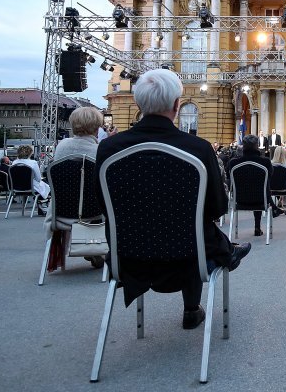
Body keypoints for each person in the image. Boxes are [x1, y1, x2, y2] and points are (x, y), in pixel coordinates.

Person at [95, 69, 251, 330]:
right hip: (189, 255)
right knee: (196, 232)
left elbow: (104, 204)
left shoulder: (110, 148)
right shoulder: (197, 148)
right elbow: (217, 207)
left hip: (129, 254)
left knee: (185, 232)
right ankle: (193, 305)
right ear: (177, 105)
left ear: (137, 103)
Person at [44, 107, 106, 269]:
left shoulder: (62, 147)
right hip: (94, 211)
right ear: (97, 126)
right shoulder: (100, 150)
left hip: (61, 211)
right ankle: (98, 249)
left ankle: (93, 250)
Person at [226, 134, 283, 237]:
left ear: (243, 146)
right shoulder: (265, 162)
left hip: (240, 200)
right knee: (260, 187)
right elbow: (269, 176)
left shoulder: (233, 163)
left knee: (256, 188)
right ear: (257, 146)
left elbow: (229, 177)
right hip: (261, 200)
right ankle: (258, 226)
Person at [11, 145, 51, 215]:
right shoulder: (33, 163)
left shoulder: (14, 163)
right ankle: (43, 206)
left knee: (43, 186)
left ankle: (42, 205)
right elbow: (38, 179)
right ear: (30, 153)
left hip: (17, 187)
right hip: (31, 187)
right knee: (46, 186)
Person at [271, 145, 286, 209]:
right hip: (284, 188)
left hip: (271, 187)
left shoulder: (270, 163)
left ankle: (280, 201)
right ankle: (284, 203)